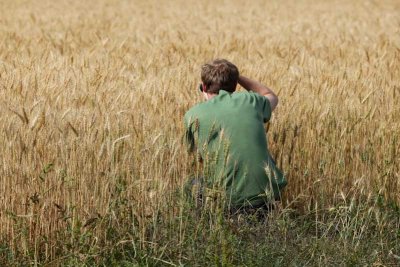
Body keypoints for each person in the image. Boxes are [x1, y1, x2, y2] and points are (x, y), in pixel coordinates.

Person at [183, 59, 287, 212]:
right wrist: (237, 77)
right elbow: (270, 95)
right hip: (267, 194)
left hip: (227, 199)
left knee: (190, 185)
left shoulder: (193, 115)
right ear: (235, 85)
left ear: (204, 87)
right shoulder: (252, 101)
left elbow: (194, 155)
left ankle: (208, 226)